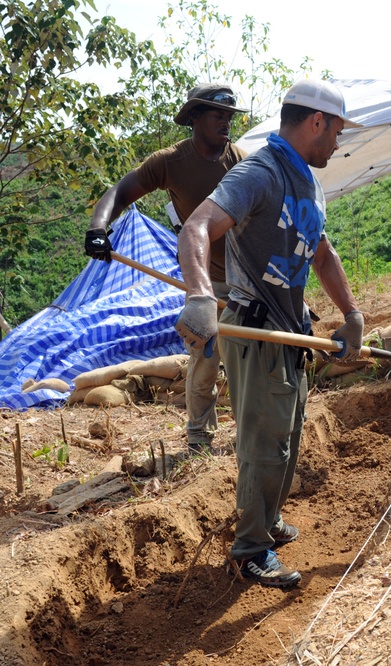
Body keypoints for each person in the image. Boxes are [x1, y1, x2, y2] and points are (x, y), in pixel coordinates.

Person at [174, 79, 365, 589]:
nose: (339, 142)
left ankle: (270, 519)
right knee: (264, 443)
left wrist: (350, 312)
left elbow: (321, 253)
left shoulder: (309, 180)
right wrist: (198, 296)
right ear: (316, 122)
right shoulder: (260, 171)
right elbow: (195, 227)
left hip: (291, 331)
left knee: (289, 431)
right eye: (338, 130)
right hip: (256, 329)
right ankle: (250, 548)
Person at [85, 83, 249, 452]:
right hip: (206, 280)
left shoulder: (241, 160)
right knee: (206, 355)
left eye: (228, 116)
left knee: (246, 358)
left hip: (246, 277)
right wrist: (98, 228)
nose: (225, 122)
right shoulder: (170, 162)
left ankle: (249, 435)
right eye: (216, 114)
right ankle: (198, 437)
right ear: (193, 118)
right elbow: (119, 192)